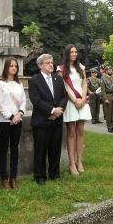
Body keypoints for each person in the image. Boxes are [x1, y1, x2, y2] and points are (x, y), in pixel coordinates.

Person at [28, 53, 68, 184]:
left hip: (56, 121)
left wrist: (59, 111)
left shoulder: (58, 79)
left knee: (55, 149)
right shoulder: (34, 80)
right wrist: (51, 111)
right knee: (40, 150)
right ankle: (39, 176)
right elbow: (36, 100)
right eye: (47, 63)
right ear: (40, 65)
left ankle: (55, 174)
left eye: (52, 62)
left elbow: (64, 96)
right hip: (42, 121)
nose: (51, 64)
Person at [59, 44, 92, 174]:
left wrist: (83, 99)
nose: (74, 54)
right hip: (71, 102)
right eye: (71, 52)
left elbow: (84, 83)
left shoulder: (81, 68)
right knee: (71, 132)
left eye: (76, 52)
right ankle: (71, 163)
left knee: (80, 131)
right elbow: (65, 87)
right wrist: (75, 100)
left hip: (82, 102)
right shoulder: (61, 69)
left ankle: (80, 161)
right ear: (67, 53)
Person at [0, 57, 26, 189]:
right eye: (11, 66)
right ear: (6, 68)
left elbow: (24, 100)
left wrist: (20, 113)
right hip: (4, 121)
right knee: (3, 149)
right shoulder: (0, 84)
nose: (14, 68)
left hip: (18, 120)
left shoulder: (19, 84)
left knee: (15, 149)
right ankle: (4, 178)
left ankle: (13, 177)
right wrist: (11, 116)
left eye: (15, 66)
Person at [100, 65, 113, 133]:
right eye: (109, 70)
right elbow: (103, 90)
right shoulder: (103, 78)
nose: (111, 71)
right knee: (109, 113)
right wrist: (105, 98)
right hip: (108, 96)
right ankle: (109, 127)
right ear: (106, 71)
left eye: (111, 70)